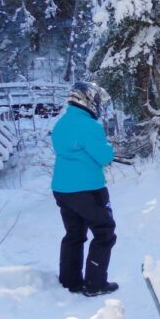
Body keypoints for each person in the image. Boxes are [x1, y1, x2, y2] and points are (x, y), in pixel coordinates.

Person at [51, 81, 119, 297]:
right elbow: (105, 156)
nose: (98, 105)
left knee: (74, 233)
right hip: (88, 189)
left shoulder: (62, 123)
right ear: (87, 100)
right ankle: (95, 283)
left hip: (63, 189)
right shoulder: (89, 126)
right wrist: (108, 147)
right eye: (97, 100)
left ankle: (70, 280)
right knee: (104, 233)